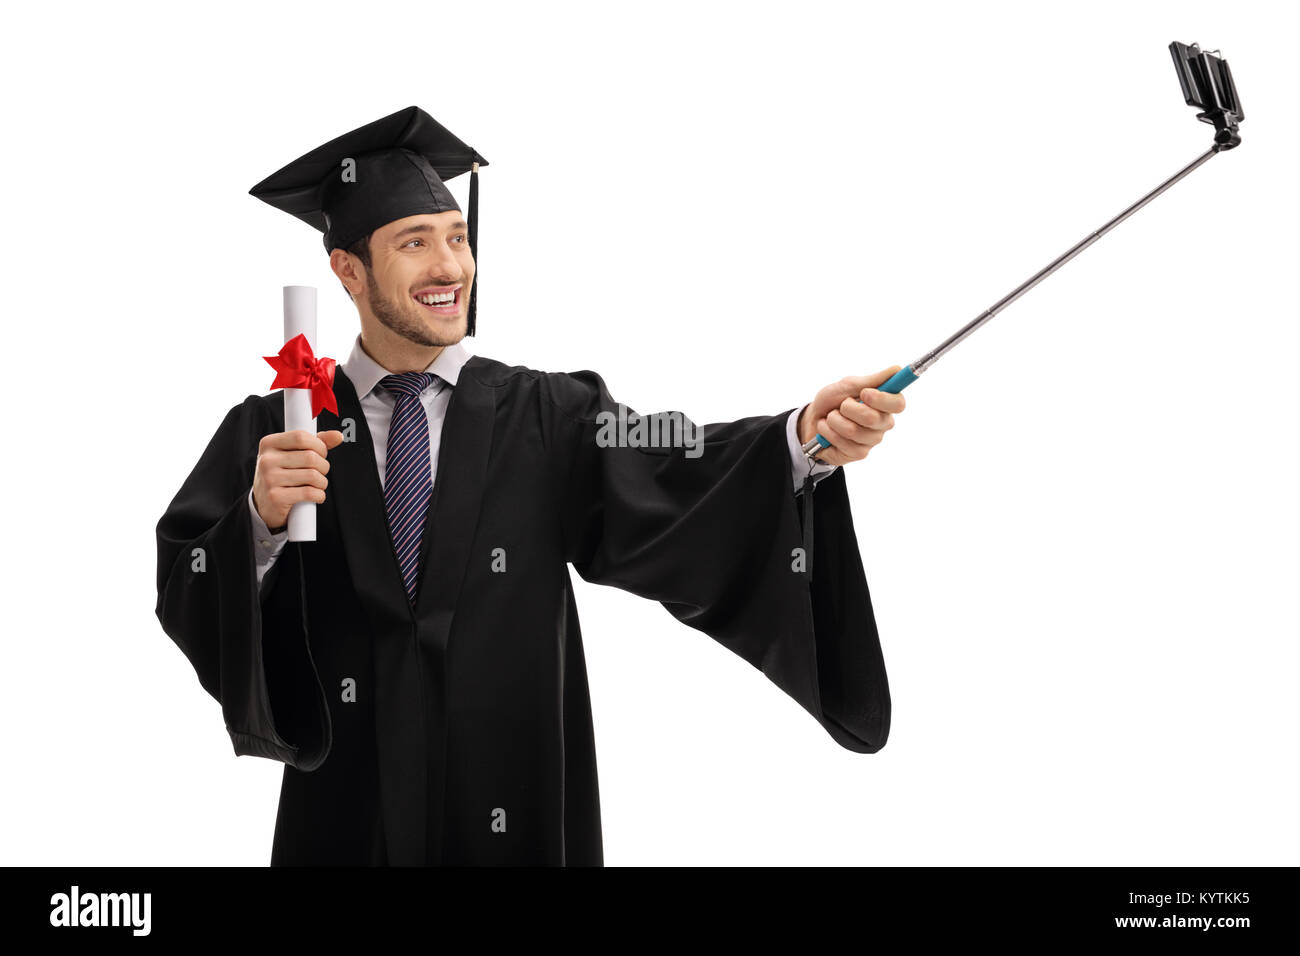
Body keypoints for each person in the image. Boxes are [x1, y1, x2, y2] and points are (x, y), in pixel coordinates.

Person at [154, 106, 906, 866]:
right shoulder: (280, 430)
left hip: (515, 804)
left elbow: (673, 466)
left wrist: (801, 440)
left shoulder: (550, 417)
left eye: (457, 239)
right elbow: (189, 583)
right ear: (348, 271)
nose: (450, 267)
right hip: (347, 817)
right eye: (414, 243)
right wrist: (259, 520)